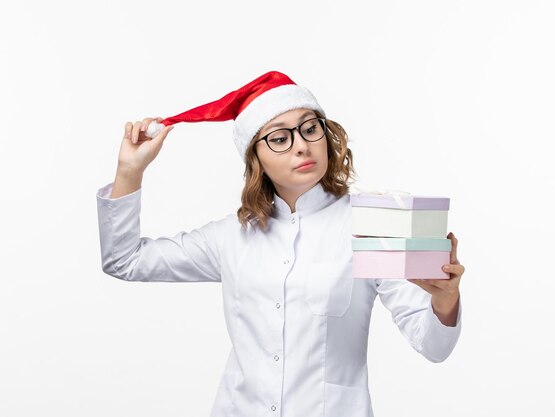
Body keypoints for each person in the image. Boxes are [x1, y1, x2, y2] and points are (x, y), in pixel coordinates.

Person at [96, 71, 465, 417]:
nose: (302, 146)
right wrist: (130, 172)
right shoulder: (232, 236)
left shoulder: (370, 226)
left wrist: (444, 300)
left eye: (310, 129)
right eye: (279, 137)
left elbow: (434, 346)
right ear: (255, 157)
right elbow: (125, 260)